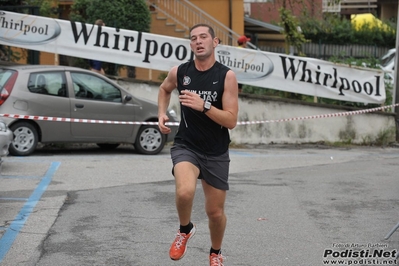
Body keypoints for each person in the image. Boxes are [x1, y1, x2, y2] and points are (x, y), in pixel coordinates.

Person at [158, 23, 238, 266]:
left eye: (204, 37)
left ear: (215, 42)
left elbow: (231, 120)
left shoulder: (226, 76)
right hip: (187, 145)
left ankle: (215, 252)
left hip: (215, 151)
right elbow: (164, 89)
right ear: (191, 44)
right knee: (184, 191)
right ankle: (185, 229)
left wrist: (204, 105)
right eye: (193, 38)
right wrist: (161, 112)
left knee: (215, 213)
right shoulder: (180, 72)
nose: (198, 41)